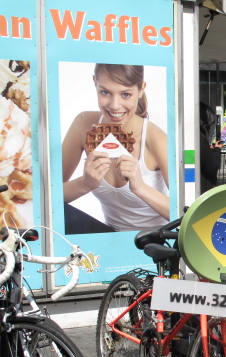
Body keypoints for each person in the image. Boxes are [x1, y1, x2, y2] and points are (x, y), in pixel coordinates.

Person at [62, 63, 169, 233]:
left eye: (126, 94)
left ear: (141, 89)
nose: (114, 105)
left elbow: (187, 213)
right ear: (94, 83)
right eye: (105, 92)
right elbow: (49, 199)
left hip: (155, 243)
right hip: (110, 239)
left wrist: (141, 187)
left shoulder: (157, 139)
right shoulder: (84, 125)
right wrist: (85, 183)